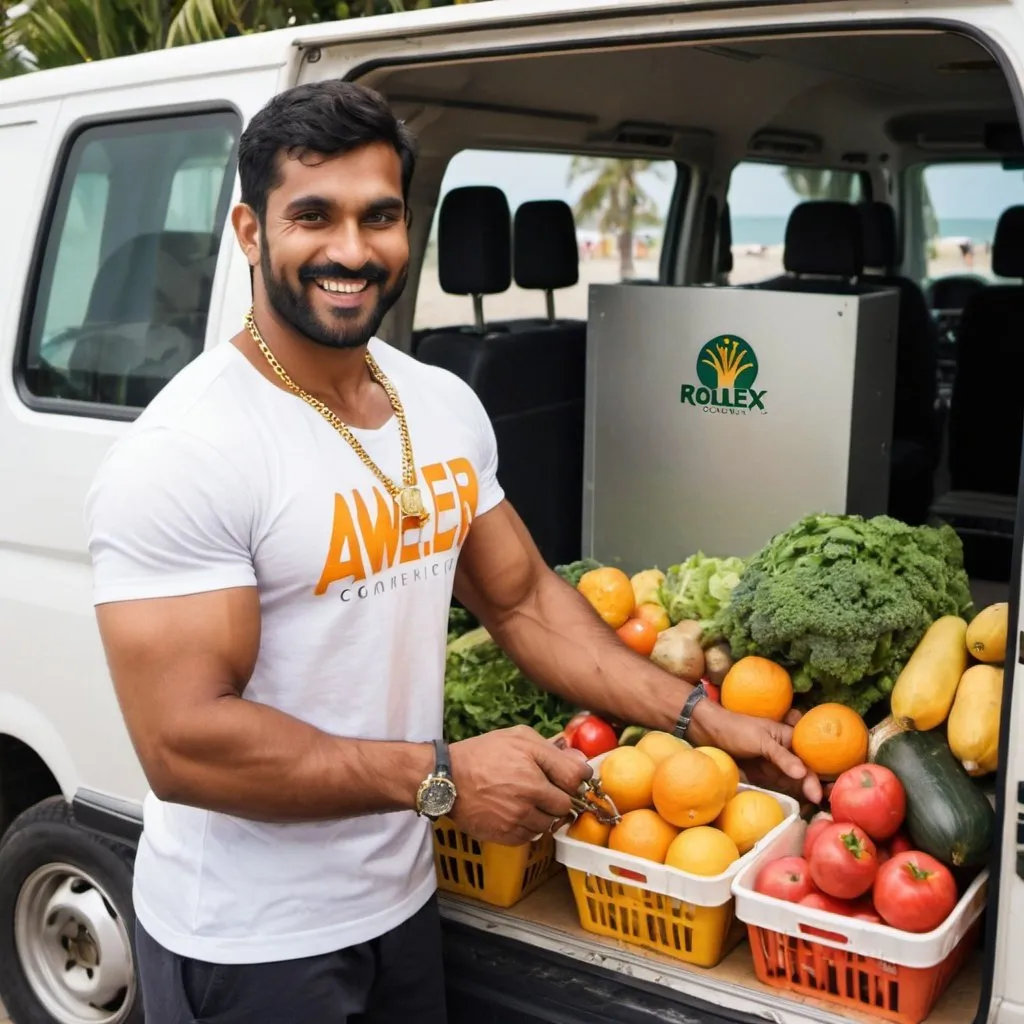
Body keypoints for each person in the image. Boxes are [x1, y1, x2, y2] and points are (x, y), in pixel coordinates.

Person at [84, 80, 821, 1024]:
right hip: (251, 940)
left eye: (379, 216)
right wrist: (441, 779)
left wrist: (696, 713)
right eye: (314, 215)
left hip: (400, 902)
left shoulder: (438, 404)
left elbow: (521, 603)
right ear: (249, 231)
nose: (352, 250)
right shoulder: (187, 450)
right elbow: (184, 744)